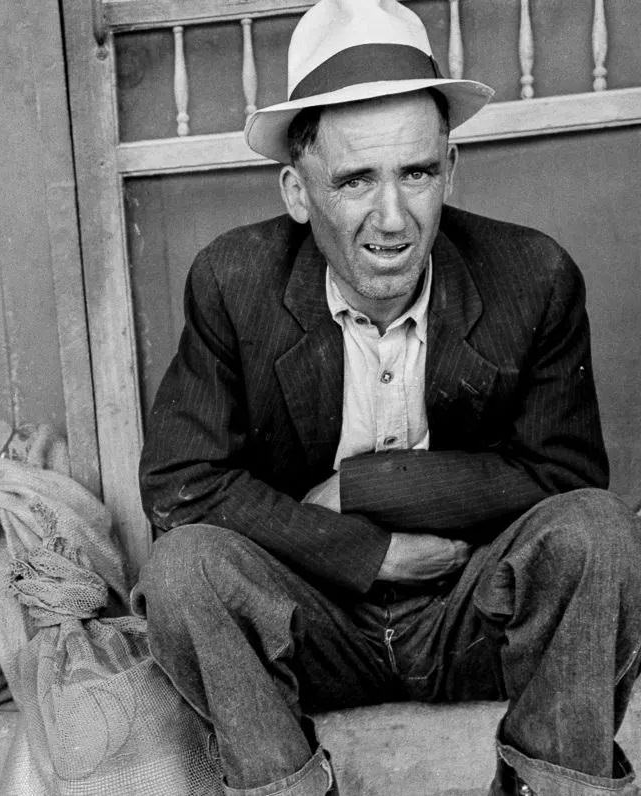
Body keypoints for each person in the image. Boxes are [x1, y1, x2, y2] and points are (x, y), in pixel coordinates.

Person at [133, 1, 641, 794]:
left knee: (599, 532)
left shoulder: (532, 275)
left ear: (451, 170)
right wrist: (367, 553)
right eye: (355, 180)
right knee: (181, 570)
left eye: (416, 173)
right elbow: (181, 486)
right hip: (316, 625)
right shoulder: (234, 282)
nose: (393, 219)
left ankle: (550, 784)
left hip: (477, 613)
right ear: (297, 192)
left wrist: (368, 487)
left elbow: (564, 474)